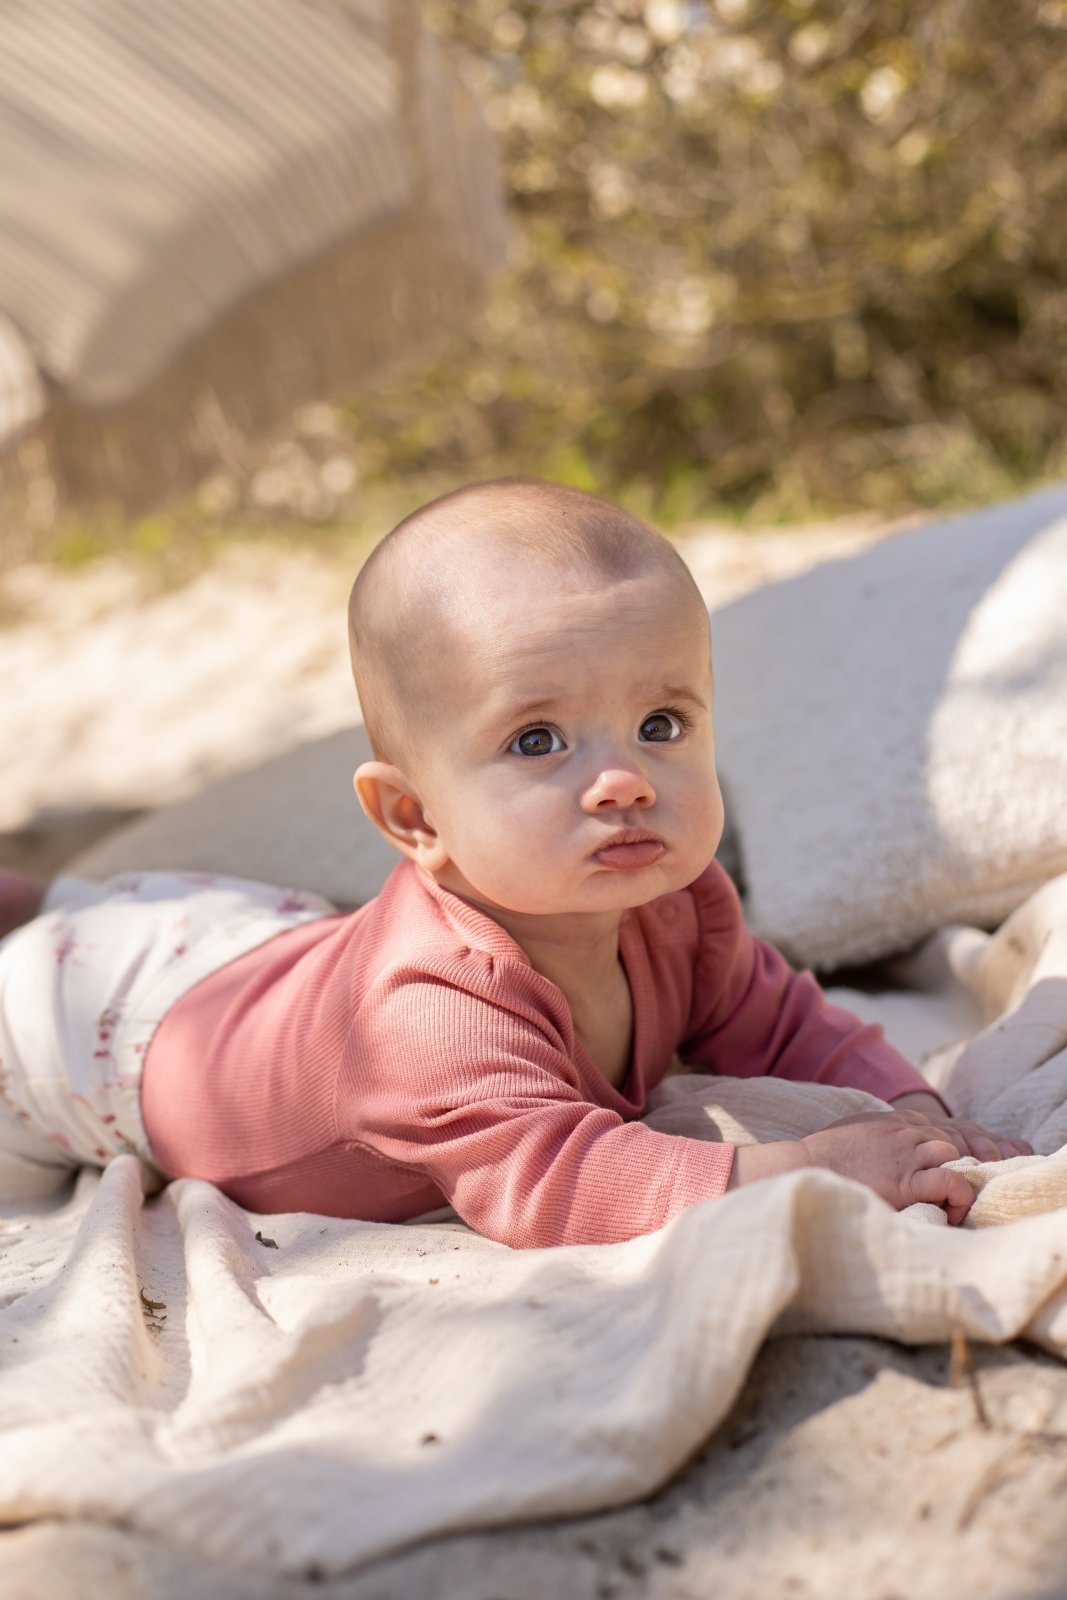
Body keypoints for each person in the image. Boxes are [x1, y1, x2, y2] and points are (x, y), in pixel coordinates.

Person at [0, 479, 1030, 1245]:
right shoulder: (431, 1020)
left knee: (156, 917)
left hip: (250, 942)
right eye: (538, 742)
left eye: (660, 721)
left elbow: (788, 1020)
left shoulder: (682, 905)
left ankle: (53, 895)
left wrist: (914, 1115)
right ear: (413, 817)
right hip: (95, 1033)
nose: (623, 779)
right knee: (64, 945)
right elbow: (559, 1182)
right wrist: (804, 1164)